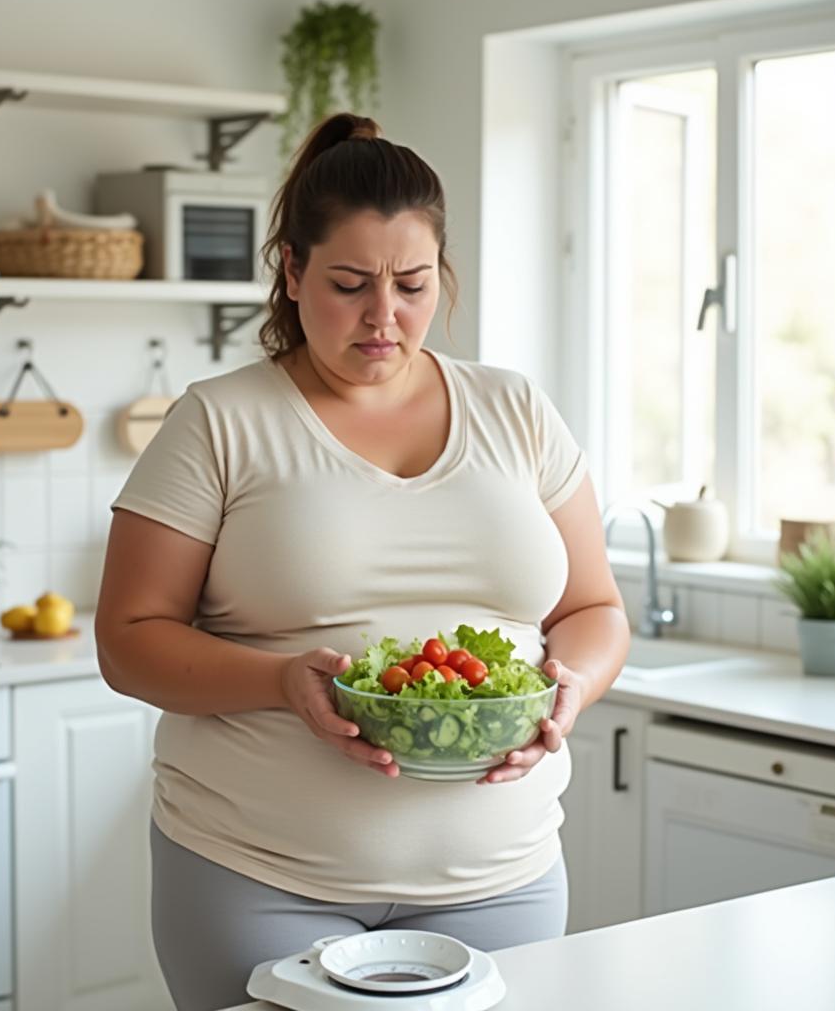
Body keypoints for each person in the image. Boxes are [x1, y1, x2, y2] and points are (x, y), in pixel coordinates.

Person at [94, 112, 630, 1011]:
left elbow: (594, 607)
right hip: (259, 881)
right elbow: (128, 640)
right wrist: (280, 683)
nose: (386, 317)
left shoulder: (517, 410)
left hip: (504, 881)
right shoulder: (219, 421)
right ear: (293, 272)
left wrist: (569, 684)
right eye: (350, 284)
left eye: (413, 284)